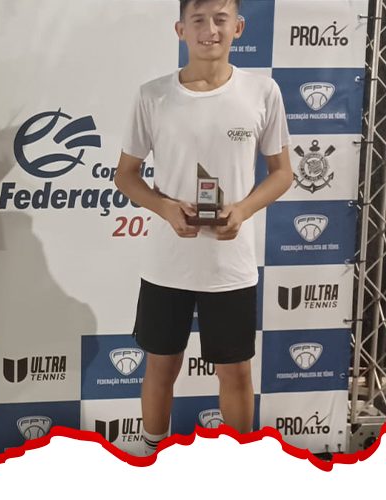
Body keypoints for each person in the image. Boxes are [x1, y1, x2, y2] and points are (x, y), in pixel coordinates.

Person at [114, 0, 292, 456]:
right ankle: (151, 457)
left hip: (230, 265)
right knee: (161, 367)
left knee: (236, 372)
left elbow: (282, 173)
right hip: (167, 264)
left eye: (220, 19)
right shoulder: (152, 95)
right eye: (198, 20)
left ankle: (236, 465)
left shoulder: (263, 91)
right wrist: (166, 208)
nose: (210, 29)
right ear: (181, 29)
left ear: (238, 27)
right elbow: (126, 175)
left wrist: (243, 210)